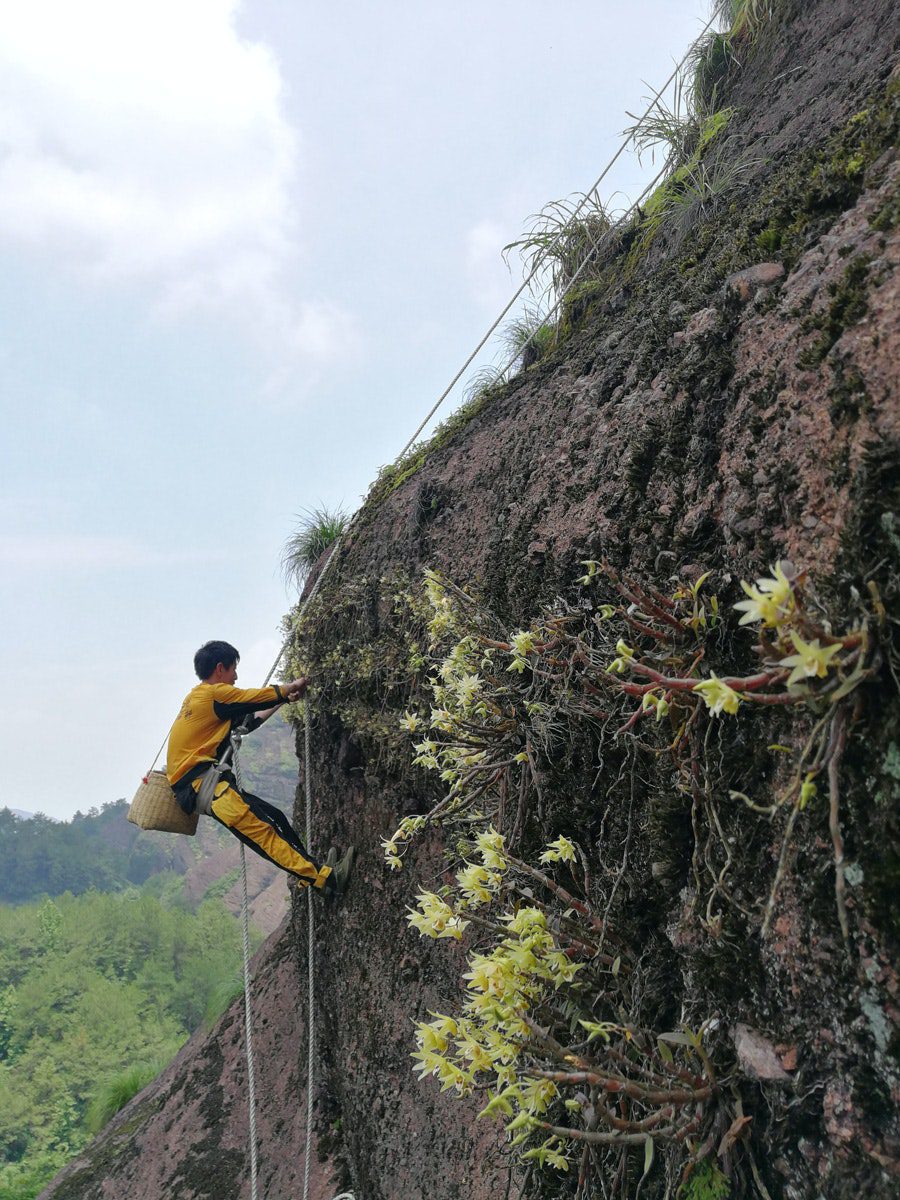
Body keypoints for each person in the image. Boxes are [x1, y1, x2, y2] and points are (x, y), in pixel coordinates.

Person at [167, 640, 354, 896]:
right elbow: (252, 698)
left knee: (275, 818)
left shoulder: (199, 699)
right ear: (220, 668)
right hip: (208, 788)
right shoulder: (214, 695)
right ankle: (325, 879)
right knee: (266, 836)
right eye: (233, 669)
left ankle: (310, 873)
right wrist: (291, 687)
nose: (235, 677)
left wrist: (284, 699)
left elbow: (249, 720)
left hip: (206, 786)